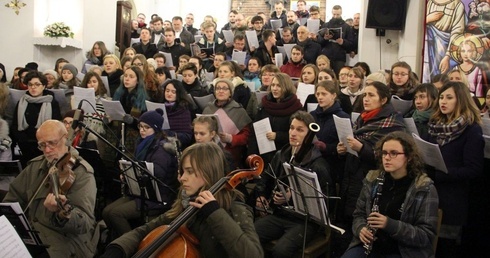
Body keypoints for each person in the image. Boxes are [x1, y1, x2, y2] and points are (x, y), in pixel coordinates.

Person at [101, 142, 263, 258]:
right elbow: (144, 230)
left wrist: (214, 213)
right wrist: (118, 248)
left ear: (208, 174)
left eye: (189, 172)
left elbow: (253, 254)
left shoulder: (236, 210)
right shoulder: (187, 205)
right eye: (182, 171)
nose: (182, 178)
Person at [3, 120, 97, 257]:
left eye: (52, 143)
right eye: (42, 145)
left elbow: (85, 224)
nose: (47, 150)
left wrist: (63, 212)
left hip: (63, 241)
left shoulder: (82, 173)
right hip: (32, 234)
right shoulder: (35, 166)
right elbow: (12, 199)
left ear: (66, 138)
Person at [341, 131, 439, 258]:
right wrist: (361, 229)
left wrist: (390, 224)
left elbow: (425, 236)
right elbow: (359, 214)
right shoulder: (373, 179)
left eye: (394, 153)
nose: (387, 158)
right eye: (384, 153)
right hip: (372, 245)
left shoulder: (423, 188)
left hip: (403, 251)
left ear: (409, 157)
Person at [336, 81, 406, 255]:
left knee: (361, 222)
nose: (366, 99)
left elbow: (386, 156)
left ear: (383, 100)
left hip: (372, 179)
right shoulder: (362, 118)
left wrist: (361, 148)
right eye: (365, 95)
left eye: (371, 95)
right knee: (348, 221)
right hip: (352, 176)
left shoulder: (392, 122)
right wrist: (343, 150)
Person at [254, 111, 333, 257]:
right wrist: (261, 196)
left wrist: (293, 196)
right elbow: (265, 180)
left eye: (300, 130)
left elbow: (325, 204)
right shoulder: (281, 154)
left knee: (281, 251)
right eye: (291, 128)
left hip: (304, 222)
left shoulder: (319, 165)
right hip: (280, 215)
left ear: (310, 135)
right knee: (249, 236)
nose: (293, 133)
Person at [102, 109, 179, 240]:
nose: (142, 130)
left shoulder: (161, 148)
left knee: (116, 214)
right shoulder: (143, 143)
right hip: (140, 190)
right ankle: (116, 240)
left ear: (156, 129)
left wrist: (133, 174)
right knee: (106, 212)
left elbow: (158, 174)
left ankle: (131, 243)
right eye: (140, 126)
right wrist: (128, 174)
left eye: (146, 127)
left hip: (157, 195)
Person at [427, 81, 484, 257]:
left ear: (461, 100)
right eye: (442, 97)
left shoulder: (471, 130)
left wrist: (442, 173)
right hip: (429, 194)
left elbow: (473, 169)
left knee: (445, 248)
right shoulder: (434, 125)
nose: (443, 101)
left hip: (452, 199)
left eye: (449, 97)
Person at [248, 73, 302, 165]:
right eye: (273, 85)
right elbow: (254, 132)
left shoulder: (296, 108)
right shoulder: (264, 105)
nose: (274, 89)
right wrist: (252, 156)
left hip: (283, 156)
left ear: (286, 87)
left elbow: (300, 135)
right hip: (262, 156)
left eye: (279, 86)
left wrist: (278, 136)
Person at [11, 71, 62, 166]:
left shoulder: (51, 102)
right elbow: (15, 125)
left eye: (37, 84)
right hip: (25, 144)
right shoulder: (22, 101)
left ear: (43, 86)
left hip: (45, 145)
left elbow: (56, 124)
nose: (33, 87)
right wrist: (23, 140)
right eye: (30, 84)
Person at [203, 78, 252, 168]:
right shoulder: (208, 109)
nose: (221, 91)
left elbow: (247, 136)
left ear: (230, 92)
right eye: (218, 88)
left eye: (225, 89)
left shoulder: (239, 110)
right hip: (209, 153)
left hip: (231, 156)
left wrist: (231, 138)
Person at [310, 80, 350, 184]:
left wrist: (326, 147)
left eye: (324, 94)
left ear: (333, 95)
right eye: (318, 94)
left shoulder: (342, 117)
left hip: (331, 164)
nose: (320, 97)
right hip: (312, 161)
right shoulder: (312, 115)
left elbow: (344, 146)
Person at [317, 5, 355, 75]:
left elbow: (351, 44)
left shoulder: (346, 27)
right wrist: (324, 39)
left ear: (341, 14)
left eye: (337, 14)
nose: (335, 16)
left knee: (339, 76)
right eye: (334, 14)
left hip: (339, 57)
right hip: (326, 56)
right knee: (325, 75)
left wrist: (343, 42)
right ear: (331, 13)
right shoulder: (325, 25)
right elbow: (319, 42)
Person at [161, 79, 194, 148]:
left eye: (173, 92)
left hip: (175, 146)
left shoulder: (183, 110)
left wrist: (169, 133)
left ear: (179, 93)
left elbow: (187, 137)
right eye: (167, 91)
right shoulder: (161, 107)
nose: (169, 94)